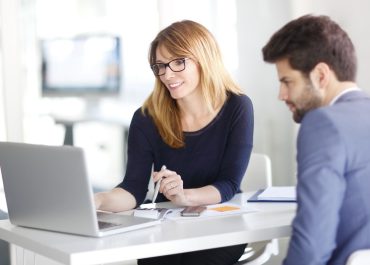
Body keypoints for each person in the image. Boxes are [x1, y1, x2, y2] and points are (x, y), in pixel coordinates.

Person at [95, 20, 254, 265]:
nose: (167, 74)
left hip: (220, 225)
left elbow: (229, 184)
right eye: (160, 66)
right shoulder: (146, 118)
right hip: (166, 227)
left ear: (204, 59)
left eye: (178, 62)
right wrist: (98, 200)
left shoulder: (237, 107)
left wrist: (184, 196)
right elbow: (133, 190)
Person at [262, 14, 370, 265]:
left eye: (287, 81)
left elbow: (312, 245)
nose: (282, 95)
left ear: (321, 75)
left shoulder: (323, 123)